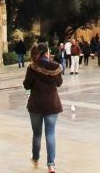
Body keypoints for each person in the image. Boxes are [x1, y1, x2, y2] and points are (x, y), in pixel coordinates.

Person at [23, 43, 62, 172]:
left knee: (37, 134)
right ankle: (51, 164)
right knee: (50, 134)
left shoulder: (32, 67)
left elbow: (27, 85)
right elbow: (59, 83)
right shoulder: (55, 67)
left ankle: (35, 156)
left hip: (36, 104)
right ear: (46, 53)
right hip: (52, 104)